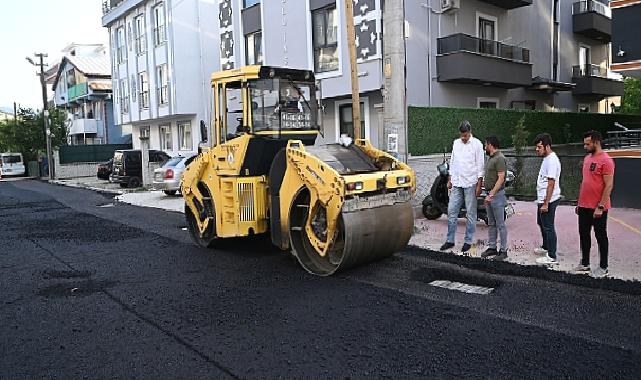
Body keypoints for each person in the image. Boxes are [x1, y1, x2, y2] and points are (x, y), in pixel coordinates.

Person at [574, 130, 615, 278]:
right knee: (584, 235)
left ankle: (603, 267)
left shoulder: (606, 160)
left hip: (598, 207)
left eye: (587, 144)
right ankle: (585, 263)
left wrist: (601, 206)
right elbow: (585, 183)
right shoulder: (587, 159)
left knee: (600, 236)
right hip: (584, 206)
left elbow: (608, 185)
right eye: (584, 144)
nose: (585, 146)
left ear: (596, 142)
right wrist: (579, 203)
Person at [440, 121, 484, 254]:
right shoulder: (456, 143)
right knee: (451, 211)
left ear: (470, 132)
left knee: (471, 214)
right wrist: (450, 178)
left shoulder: (477, 144)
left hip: (470, 183)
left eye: (465, 135)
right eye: (462, 135)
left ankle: (468, 241)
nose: (463, 138)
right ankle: (450, 240)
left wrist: (479, 184)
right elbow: (453, 161)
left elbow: (480, 165)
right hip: (457, 183)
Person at [533, 133, 562, 265]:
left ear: (547, 146)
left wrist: (546, 203)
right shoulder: (547, 158)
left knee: (549, 226)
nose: (537, 149)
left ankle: (552, 255)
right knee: (541, 223)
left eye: (539, 147)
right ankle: (546, 246)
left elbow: (551, 183)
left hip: (549, 200)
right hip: (543, 199)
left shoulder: (552, 160)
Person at [481, 136, 509, 260]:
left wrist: (491, 194)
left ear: (491, 145)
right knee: (491, 223)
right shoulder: (490, 158)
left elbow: (501, 178)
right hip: (489, 194)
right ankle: (492, 247)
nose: (485, 146)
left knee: (500, 224)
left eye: (486, 144)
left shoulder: (500, 158)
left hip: (496, 196)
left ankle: (503, 251)